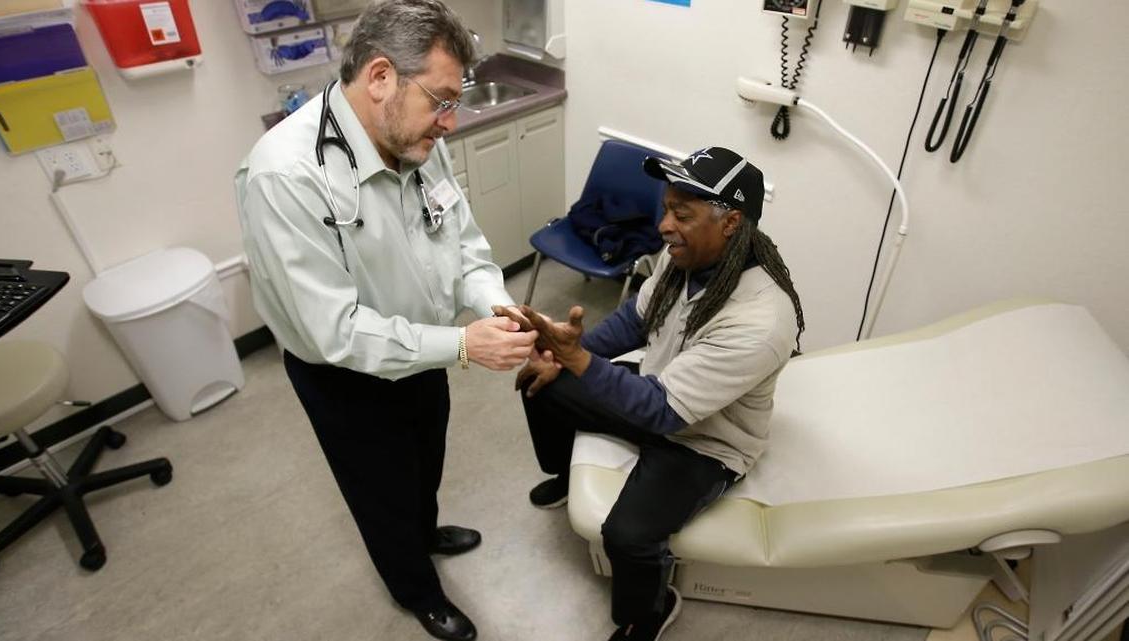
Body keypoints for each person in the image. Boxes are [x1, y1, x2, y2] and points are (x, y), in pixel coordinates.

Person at [234, 2, 537, 639]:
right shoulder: (285, 175)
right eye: (442, 99)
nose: (450, 123)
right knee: (378, 490)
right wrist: (461, 344)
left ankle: (422, 532)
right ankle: (414, 587)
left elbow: (465, 245)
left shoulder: (419, 139)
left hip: (427, 352)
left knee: (425, 458)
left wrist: (497, 308)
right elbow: (334, 330)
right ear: (380, 78)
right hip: (345, 376)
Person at [500, 146, 805, 641]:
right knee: (542, 385)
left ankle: (650, 611)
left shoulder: (761, 320)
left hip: (704, 441)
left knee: (626, 537)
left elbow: (661, 413)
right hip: (656, 389)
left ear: (730, 224)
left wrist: (580, 363)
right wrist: (564, 354)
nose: (664, 225)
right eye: (666, 209)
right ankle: (562, 472)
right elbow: (635, 320)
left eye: (681, 215)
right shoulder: (682, 254)